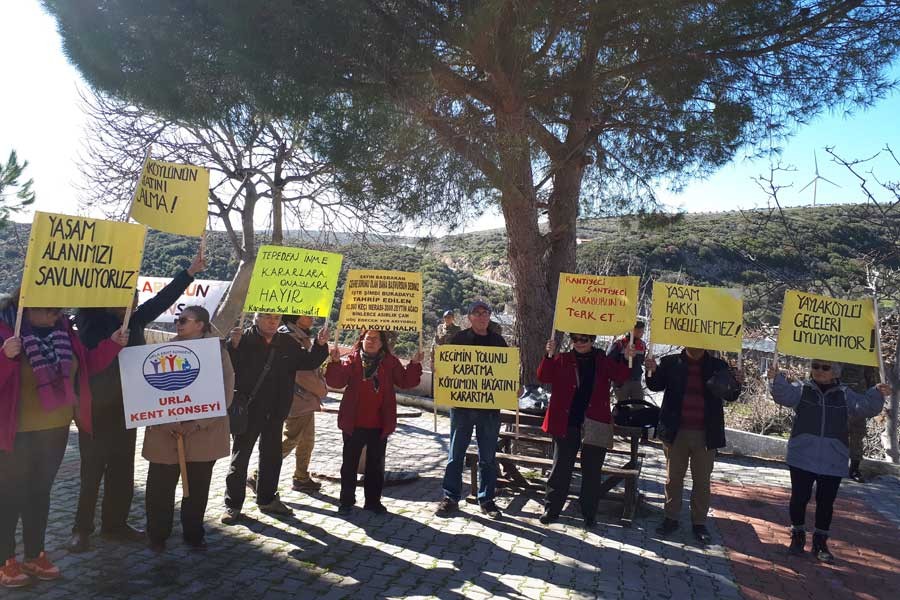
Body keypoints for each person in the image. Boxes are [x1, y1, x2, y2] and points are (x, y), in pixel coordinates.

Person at [69, 251, 206, 553]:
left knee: (121, 471)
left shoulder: (136, 320)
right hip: (95, 411)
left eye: (132, 298)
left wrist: (189, 273)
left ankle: (114, 524)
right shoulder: (90, 319)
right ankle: (81, 529)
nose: (130, 303)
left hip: (127, 409)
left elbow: (160, 300)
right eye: (124, 297)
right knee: (91, 473)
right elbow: (89, 348)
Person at [0, 295, 127, 588]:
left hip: (55, 430)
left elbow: (88, 364)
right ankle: (6, 559)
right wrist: (4, 357)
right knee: (10, 496)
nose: (58, 314)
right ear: (27, 307)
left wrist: (113, 343)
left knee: (39, 494)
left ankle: (34, 554)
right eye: (51, 310)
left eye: (60, 310)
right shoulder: (7, 332)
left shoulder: (65, 333)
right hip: (15, 432)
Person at [768, 360, 890, 563]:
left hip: (834, 459)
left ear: (835, 372)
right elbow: (783, 395)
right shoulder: (801, 389)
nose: (818, 371)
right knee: (799, 499)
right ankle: (797, 537)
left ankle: (820, 543)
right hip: (802, 456)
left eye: (825, 367)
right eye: (815, 366)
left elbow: (865, 407)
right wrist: (776, 378)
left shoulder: (845, 394)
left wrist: (878, 391)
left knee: (826, 503)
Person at [221, 312, 329, 523]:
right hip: (249, 410)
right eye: (267, 316)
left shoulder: (287, 342)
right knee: (240, 458)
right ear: (256, 318)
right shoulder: (243, 339)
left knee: (271, 458)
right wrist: (231, 345)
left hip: (276, 411)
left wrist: (320, 344)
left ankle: (268, 499)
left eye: (276, 317)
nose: (272, 321)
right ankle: (232, 505)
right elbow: (228, 367)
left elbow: (308, 362)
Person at [142, 306, 234, 552]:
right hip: (165, 434)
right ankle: (157, 534)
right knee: (159, 487)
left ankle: (193, 533)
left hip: (204, 435)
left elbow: (225, 393)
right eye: (177, 319)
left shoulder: (218, 352)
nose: (178, 324)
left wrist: (196, 424)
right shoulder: (163, 351)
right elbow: (149, 393)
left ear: (200, 325)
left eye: (183, 320)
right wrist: (166, 421)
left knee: (197, 488)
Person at [646, 347, 742, 544]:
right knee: (673, 479)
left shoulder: (718, 366)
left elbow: (730, 396)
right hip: (676, 431)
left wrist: (737, 383)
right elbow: (655, 386)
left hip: (706, 434)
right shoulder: (670, 363)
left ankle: (699, 523)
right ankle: (670, 518)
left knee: (702, 481)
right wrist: (651, 370)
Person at [537, 334, 633, 527]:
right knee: (561, 469)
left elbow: (621, 376)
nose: (579, 343)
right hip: (567, 422)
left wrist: (626, 357)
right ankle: (552, 509)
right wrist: (549, 355)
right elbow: (543, 376)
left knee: (592, 471)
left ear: (592, 340)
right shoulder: (562, 359)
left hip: (595, 422)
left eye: (584, 339)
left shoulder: (602, 360)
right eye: (575, 339)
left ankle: (589, 514)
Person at [326, 330, 422, 515]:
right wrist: (335, 362)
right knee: (349, 465)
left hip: (379, 423)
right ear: (361, 341)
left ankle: (372, 502)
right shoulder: (351, 360)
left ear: (381, 343)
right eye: (367, 338)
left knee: (375, 465)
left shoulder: (389, 361)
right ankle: (346, 501)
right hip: (353, 423)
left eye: (374, 339)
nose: (370, 342)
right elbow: (336, 382)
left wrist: (415, 364)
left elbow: (405, 381)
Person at [435, 300, 508, 519]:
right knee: (455, 455)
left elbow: (505, 371)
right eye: (477, 313)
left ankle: (486, 500)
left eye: (486, 313)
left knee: (487, 457)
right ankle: (450, 497)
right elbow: (447, 368)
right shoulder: (459, 339)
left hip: (489, 410)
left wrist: (514, 386)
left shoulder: (498, 341)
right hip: (462, 408)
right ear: (469, 317)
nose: (482, 316)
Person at [248, 315, 328, 493]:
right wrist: (321, 390)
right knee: (291, 438)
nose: (313, 318)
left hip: (305, 398)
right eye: (308, 314)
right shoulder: (290, 336)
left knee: (307, 440)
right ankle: (259, 474)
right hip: (296, 398)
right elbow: (301, 373)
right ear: (297, 318)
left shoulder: (300, 335)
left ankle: (301, 476)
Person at [840, 362, 880, 483]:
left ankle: (854, 469)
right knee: (833, 431)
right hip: (837, 394)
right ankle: (830, 464)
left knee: (857, 434)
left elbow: (872, 378)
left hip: (859, 398)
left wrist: (874, 396)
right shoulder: (835, 347)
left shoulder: (864, 355)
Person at [607, 321, 647, 403]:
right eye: (639, 331)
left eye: (642, 331)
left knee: (638, 405)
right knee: (622, 405)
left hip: (636, 378)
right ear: (632, 330)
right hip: (622, 381)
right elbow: (610, 360)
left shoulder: (642, 344)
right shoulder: (620, 343)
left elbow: (641, 360)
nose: (641, 333)